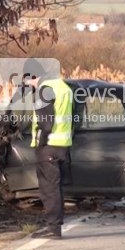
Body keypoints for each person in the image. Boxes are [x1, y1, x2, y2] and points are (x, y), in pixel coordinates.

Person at [24, 59, 73, 239]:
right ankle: (55, 226)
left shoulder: (44, 90)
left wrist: (40, 142)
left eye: (27, 81)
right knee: (56, 187)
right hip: (63, 145)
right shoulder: (65, 88)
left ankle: (53, 228)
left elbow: (46, 122)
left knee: (48, 188)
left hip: (49, 146)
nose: (28, 85)